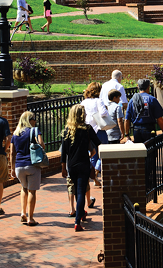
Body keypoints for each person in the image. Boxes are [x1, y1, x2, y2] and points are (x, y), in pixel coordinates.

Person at [59, 104, 100, 232]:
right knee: (81, 192)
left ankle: (81, 213)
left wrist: (63, 168)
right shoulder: (87, 129)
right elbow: (98, 142)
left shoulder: (67, 130)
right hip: (83, 164)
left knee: (77, 191)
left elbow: (64, 152)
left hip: (71, 165)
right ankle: (77, 221)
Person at [9, 111, 45, 226]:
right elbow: (42, 144)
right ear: (29, 120)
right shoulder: (34, 130)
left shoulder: (16, 133)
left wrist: (12, 168)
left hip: (19, 166)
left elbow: (11, 152)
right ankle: (30, 218)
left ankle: (22, 212)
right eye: (34, 118)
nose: (35, 121)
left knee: (24, 188)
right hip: (32, 164)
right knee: (32, 191)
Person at [81, 82, 110, 187]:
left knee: (92, 153)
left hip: (87, 130)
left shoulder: (83, 102)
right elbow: (103, 113)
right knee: (104, 153)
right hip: (99, 129)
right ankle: (97, 171)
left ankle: (93, 177)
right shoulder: (99, 101)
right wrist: (106, 109)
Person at [125, 79, 163, 143]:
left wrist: (127, 134)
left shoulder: (132, 100)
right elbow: (159, 118)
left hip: (136, 130)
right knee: (151, 150)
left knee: (139, 151)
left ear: (138, 87)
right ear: (148, 87)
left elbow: (127, 120)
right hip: (149, 129)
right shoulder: (152, 99)